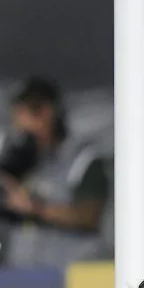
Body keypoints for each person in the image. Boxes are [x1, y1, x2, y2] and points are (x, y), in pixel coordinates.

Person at [0, 78, 109, 268]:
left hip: (72, 274)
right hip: (18, 274)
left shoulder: (83, 159)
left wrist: (36, 208)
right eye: (19, 113)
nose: (26, 123)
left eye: (35, 111)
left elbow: (90, 216)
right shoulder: (13, 161)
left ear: (53, 113)